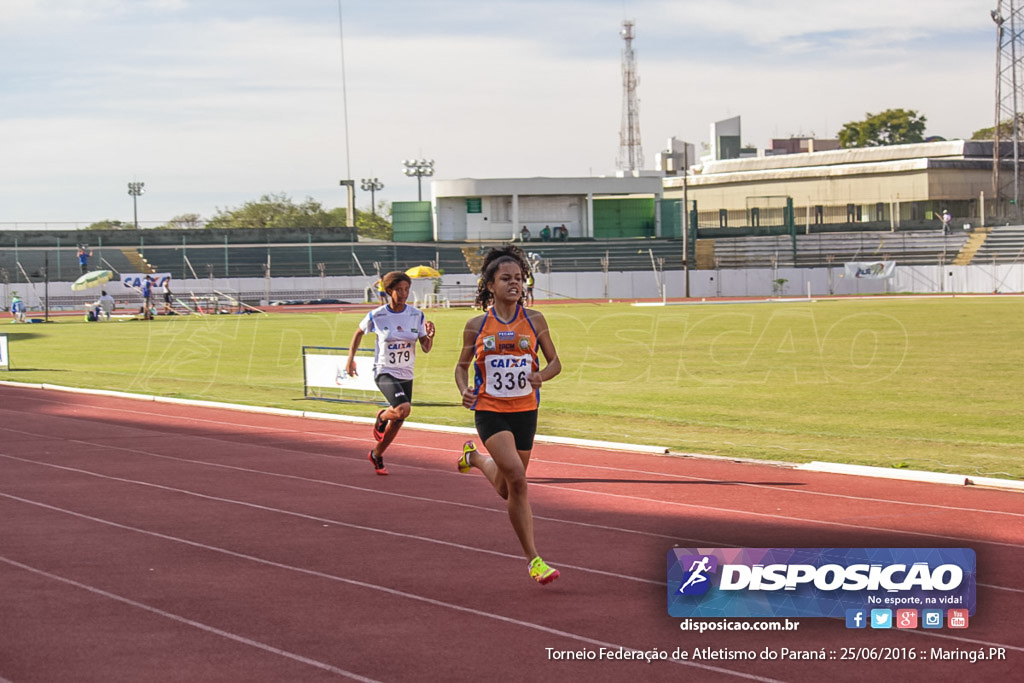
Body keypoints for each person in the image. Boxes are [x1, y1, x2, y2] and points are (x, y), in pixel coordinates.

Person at [454, 244, 562, 585]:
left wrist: (540, 376)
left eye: (519, 278)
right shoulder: (475, 325)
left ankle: (474, 459)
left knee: (505, 487)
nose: (514, 283)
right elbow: (461, 367)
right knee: (517, 478)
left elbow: (555, 363)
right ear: (490, 285)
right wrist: (464, 390)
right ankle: (535, 560)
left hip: (526, 411)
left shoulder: (535, 320)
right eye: (506, 278)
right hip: (490, 411)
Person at [346, 271, 435, 475]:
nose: (404, 294)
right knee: (403, 409)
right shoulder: (378, 315)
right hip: (384, 371)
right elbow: (358, 332)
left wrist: (430, 336)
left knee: (399, 420)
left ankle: (376, 455)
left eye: (406, 289)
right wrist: (351, 358)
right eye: (399, 290)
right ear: (389, 291)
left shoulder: (416, 315)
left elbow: (426, 347)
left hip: (406, 374)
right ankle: (382, 416)